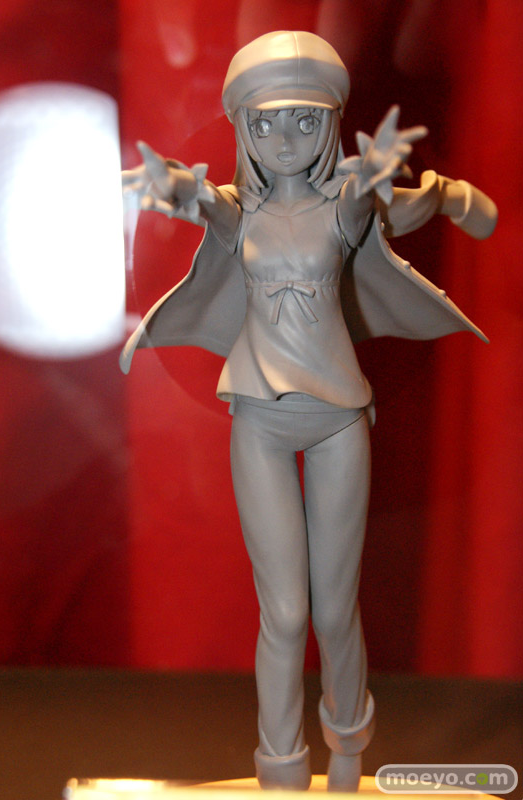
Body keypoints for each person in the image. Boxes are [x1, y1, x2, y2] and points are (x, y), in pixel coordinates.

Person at [121, 31, 497, 792]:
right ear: (241, 128)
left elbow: (375, 205)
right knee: (285, 613)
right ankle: (281, 771)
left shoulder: (344, 208)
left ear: (330, 124)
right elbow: (204, 203)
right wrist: (177, 190)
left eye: (304, 119)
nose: (284, 138)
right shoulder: (239, 213)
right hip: (260, 419)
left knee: (333, 610)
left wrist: (431, 191)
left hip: (336, 421)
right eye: (264, 122)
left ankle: (349, 749)